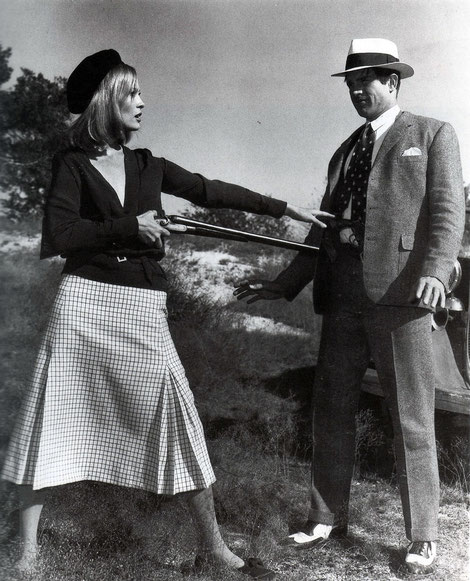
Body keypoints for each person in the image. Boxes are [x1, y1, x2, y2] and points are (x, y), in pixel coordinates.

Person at [1, 49, 332, 579]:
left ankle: (212, 548)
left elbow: (209, 189)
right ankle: (29, 556)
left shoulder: (147, 163)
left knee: (178, 415)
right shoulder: (71, 165)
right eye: (132, 93)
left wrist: (285, 208)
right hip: (83, 305)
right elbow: (59, 238)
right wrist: (130, 227)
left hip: (141, 308)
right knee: (51, 420)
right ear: (107, 99)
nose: (142, 102)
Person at [234, 38, 465, 575]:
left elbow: (448, 215)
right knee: (332, 411)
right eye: (351, 83)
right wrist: (282, 286)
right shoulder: (344, 151)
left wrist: (434, 272)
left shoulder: (432, 135)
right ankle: (324, 518)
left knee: (411, 418)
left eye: (369, 80)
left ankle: (423, 536)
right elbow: (323, 236)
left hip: (403, 299)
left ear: (394, 83)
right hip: (342, 301)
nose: (358, 90)